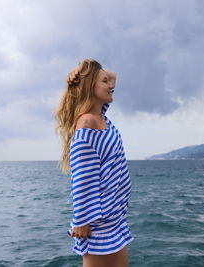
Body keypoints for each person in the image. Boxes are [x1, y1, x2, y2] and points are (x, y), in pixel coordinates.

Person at [55, 59, 134, 267]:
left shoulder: (101, 115)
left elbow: (113, 74)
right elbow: (82, 178)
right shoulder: (87, 122)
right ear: (90, 87)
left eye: (109, 82)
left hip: (115, 216)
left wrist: (81, 71)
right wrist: (81, 220)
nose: (111, 85)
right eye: (104, 82)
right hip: (99, 222)